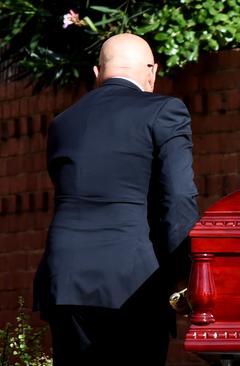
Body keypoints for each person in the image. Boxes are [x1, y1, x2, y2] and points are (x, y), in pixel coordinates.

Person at [32, 33, 199, 366]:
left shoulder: (63, 123)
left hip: (66, 279)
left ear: (97, 73)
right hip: (134, 281)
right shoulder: (165, 110)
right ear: (151, 72)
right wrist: (189, 272)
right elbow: (178, 198)